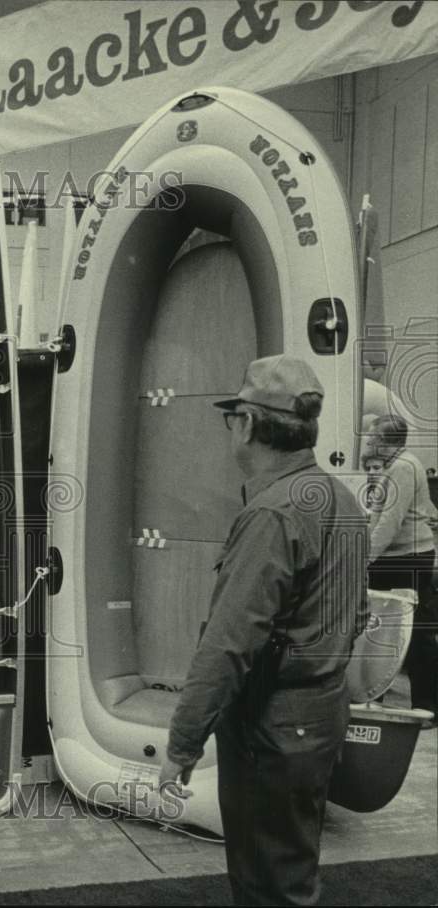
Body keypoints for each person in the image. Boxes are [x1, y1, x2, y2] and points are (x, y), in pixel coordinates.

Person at [159, 354, 369, 907]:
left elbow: (228, 644)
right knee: (291, 871)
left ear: (248, 424)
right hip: (319, 717)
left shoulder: (273, 514)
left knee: (265, 886)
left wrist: (182, 745)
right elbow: (355, 616)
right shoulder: (339, 501)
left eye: (232, 418)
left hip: (270, 731)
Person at [364, 414, 438, 715]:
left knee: (410, 629)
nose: (368, 442)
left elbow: (390, 523)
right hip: (402, 557)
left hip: (405, 559)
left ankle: (425, 703)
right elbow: (380, 518)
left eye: (371, 438)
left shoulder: (401, 469)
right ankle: (377, 697)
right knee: (390, 628)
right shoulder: (400, 466)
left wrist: (364, 558)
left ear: (384, 442)